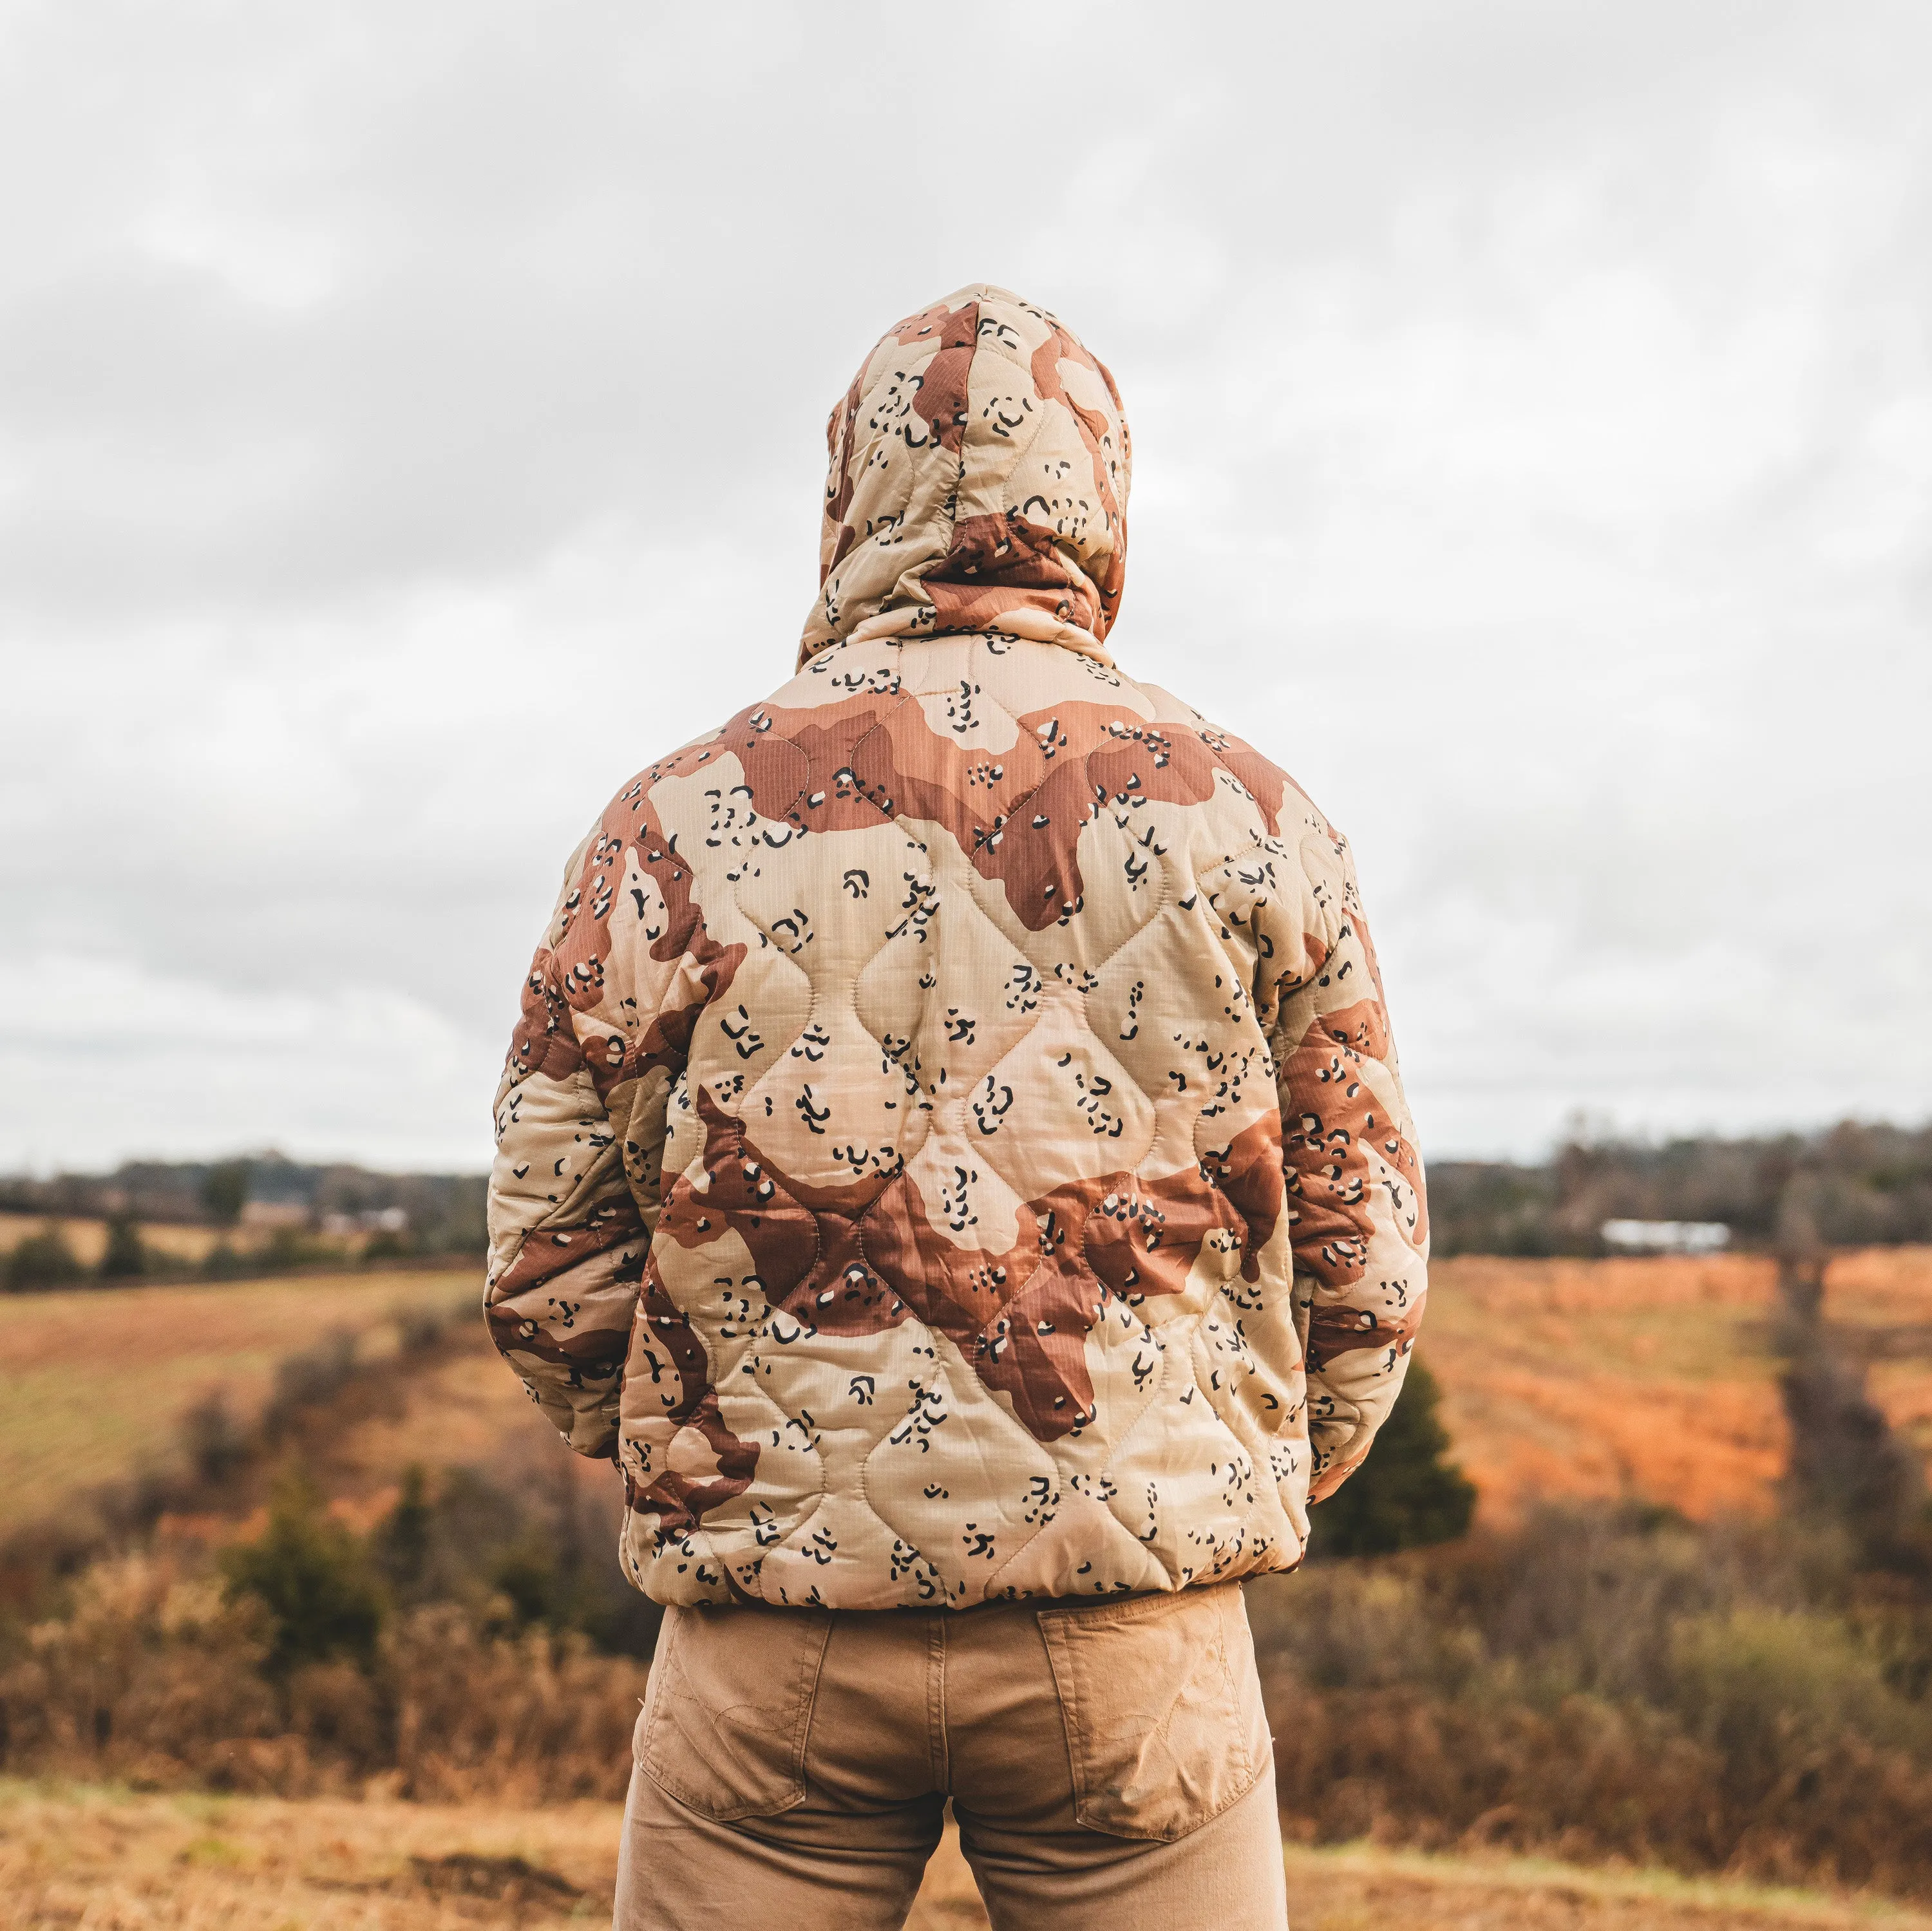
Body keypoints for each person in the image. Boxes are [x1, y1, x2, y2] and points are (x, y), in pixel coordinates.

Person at [484, 284, 1428, 1931]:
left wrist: (720, 1457)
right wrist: (1206, 1477)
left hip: (770, 1628)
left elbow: (550, 1253)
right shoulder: (1263, 824)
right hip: (1138, 1634)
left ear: (853, 494)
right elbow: (1365, 1271)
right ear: (1100, 502)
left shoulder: (672, 817)